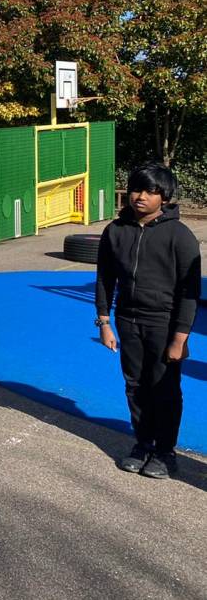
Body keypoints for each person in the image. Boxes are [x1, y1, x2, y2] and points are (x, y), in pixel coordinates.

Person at [96, 162, 200, 480]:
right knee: (135, 385)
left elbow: (190, 291)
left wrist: (179, 338)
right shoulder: (115, 231)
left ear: (164, 197)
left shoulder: (180, 236)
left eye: (150, 191)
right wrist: (104, 322)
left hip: (164, 323)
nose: (140, 196)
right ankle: (143, 443)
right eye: (137, 189)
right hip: (127, 320)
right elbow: (105, 279)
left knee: (165, 388)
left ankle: (165, 452)